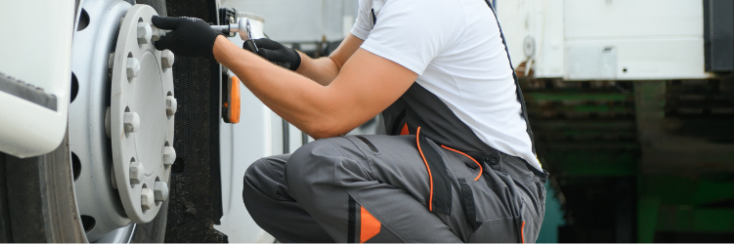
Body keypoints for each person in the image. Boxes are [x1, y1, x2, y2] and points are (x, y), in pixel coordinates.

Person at [152, 0, 547, 242]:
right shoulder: (382, 2)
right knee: (267, 183)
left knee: (321, 166)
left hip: (498, 197)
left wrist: (216, 48)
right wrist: (296, 61)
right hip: (448, 175)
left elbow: (330, 118)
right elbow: (337, 69)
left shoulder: (427, 5)